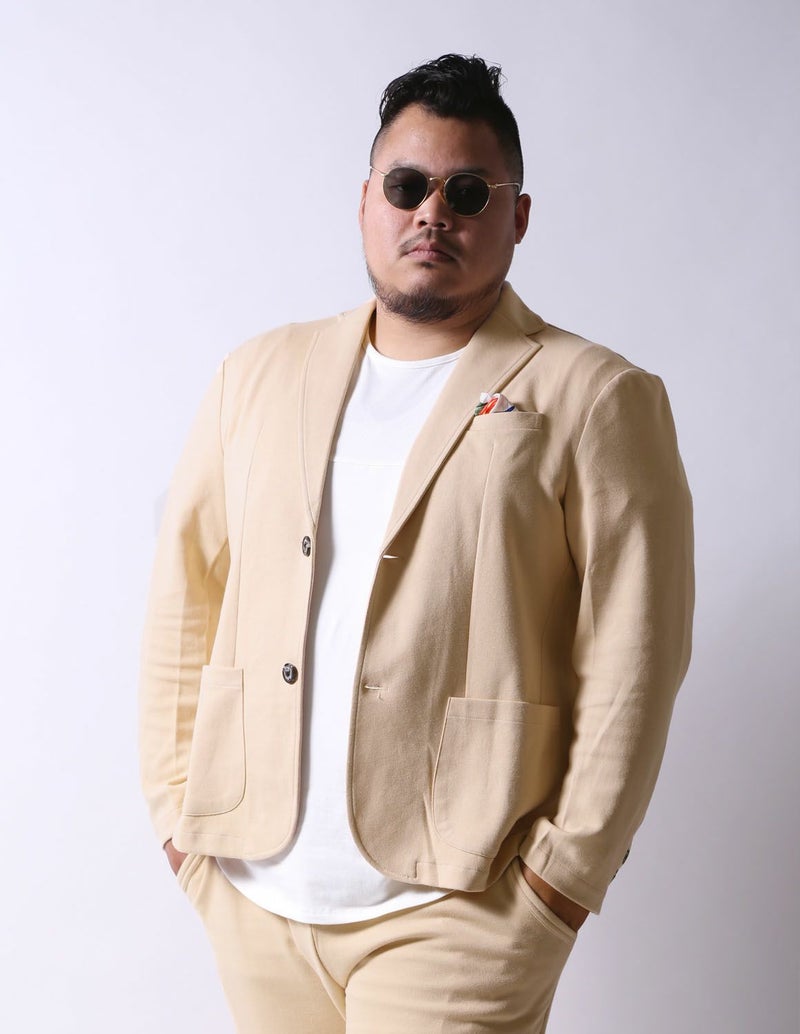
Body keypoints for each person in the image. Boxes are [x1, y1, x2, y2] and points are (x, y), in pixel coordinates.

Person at [139, 53, 694, 1034]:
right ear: (366, 202)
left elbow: (634, 654)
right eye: (406, 186)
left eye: (467, 191)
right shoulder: (256, 374)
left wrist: (561, 879)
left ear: (517, 216)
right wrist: (178, 814)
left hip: (460, 903)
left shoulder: (593, 395)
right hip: (254, 891)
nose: (432, 213)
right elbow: (185, 592)